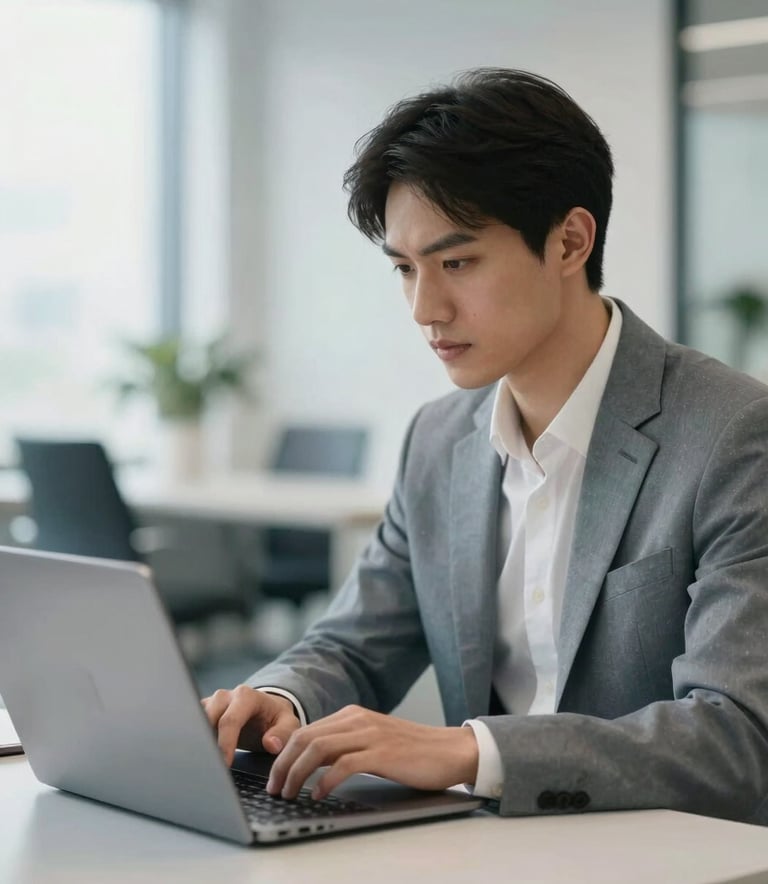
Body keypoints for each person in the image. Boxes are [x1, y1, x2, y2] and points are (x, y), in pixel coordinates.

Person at [203, 68, 768, 823]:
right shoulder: (438, 440)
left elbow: (737, 738)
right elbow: (357, 644)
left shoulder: (731, 434)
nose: (423, 308)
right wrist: (276, 700)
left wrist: (473, 753)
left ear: (570, 241)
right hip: (480, 849)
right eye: (405, 269)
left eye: (456, 263)